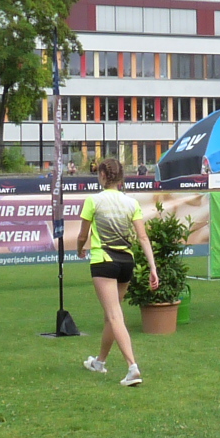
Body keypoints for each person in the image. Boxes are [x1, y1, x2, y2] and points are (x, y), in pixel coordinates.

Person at [74, 157, 158, 386]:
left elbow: (83, 235)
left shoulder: (93, 200)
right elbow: (142, 237)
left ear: (102, 176)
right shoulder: (131, 203)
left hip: (104, 260)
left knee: (114, 315)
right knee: (111, 315)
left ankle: (132, 367)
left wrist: (80, 249)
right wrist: (152, 267)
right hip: (126, 263)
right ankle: (99, 362)